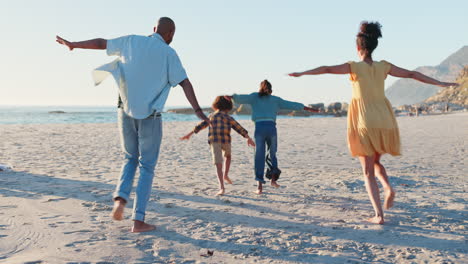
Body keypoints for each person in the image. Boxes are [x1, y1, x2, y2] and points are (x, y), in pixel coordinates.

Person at [288, 21, 457, 224]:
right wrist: (440, 83)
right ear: (374, 46)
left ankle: (378, 215)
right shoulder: (384, 66)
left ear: (358, 47)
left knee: (367, 171)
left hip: (364, 119)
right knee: (375, 162)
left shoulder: (353, 67)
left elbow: (326, 69)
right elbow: (412, 74)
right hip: (384, 118)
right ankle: (387, 187)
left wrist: (303, 73)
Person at [56, 17, 210, 232]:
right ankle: (138, 221)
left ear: (154, 29)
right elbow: (184, 82)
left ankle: (120, 200)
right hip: (150, 117)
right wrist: (198, 111)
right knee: (146, 166)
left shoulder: (130, 41)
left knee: (129, 159)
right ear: (170, 33)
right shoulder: (169, 54)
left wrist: (74, 44)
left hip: (124, 112)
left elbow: (101, 43)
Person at [225, 80, 318, 194]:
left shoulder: (254, 97)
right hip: (271, 128)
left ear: (260, 88)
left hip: (259, 128)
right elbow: (291, 104)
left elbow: (241, 98)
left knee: (259, 155)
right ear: (271, 89)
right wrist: (307, 108)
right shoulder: (275, 99)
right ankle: (273, 180)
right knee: (272, 153)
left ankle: (259, 186)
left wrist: (230, 97)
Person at [181, 96, 255, 195]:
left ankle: (222, 186)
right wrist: (248, 137)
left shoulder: (212, 116)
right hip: (225, 141)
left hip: (215, 141)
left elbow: (200, 126)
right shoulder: (227, 117)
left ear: (215, 105)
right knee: (227, 158)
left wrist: (189, 134)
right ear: (228, 106)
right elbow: (239, 128)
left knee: (218, 164)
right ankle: (224, 178)